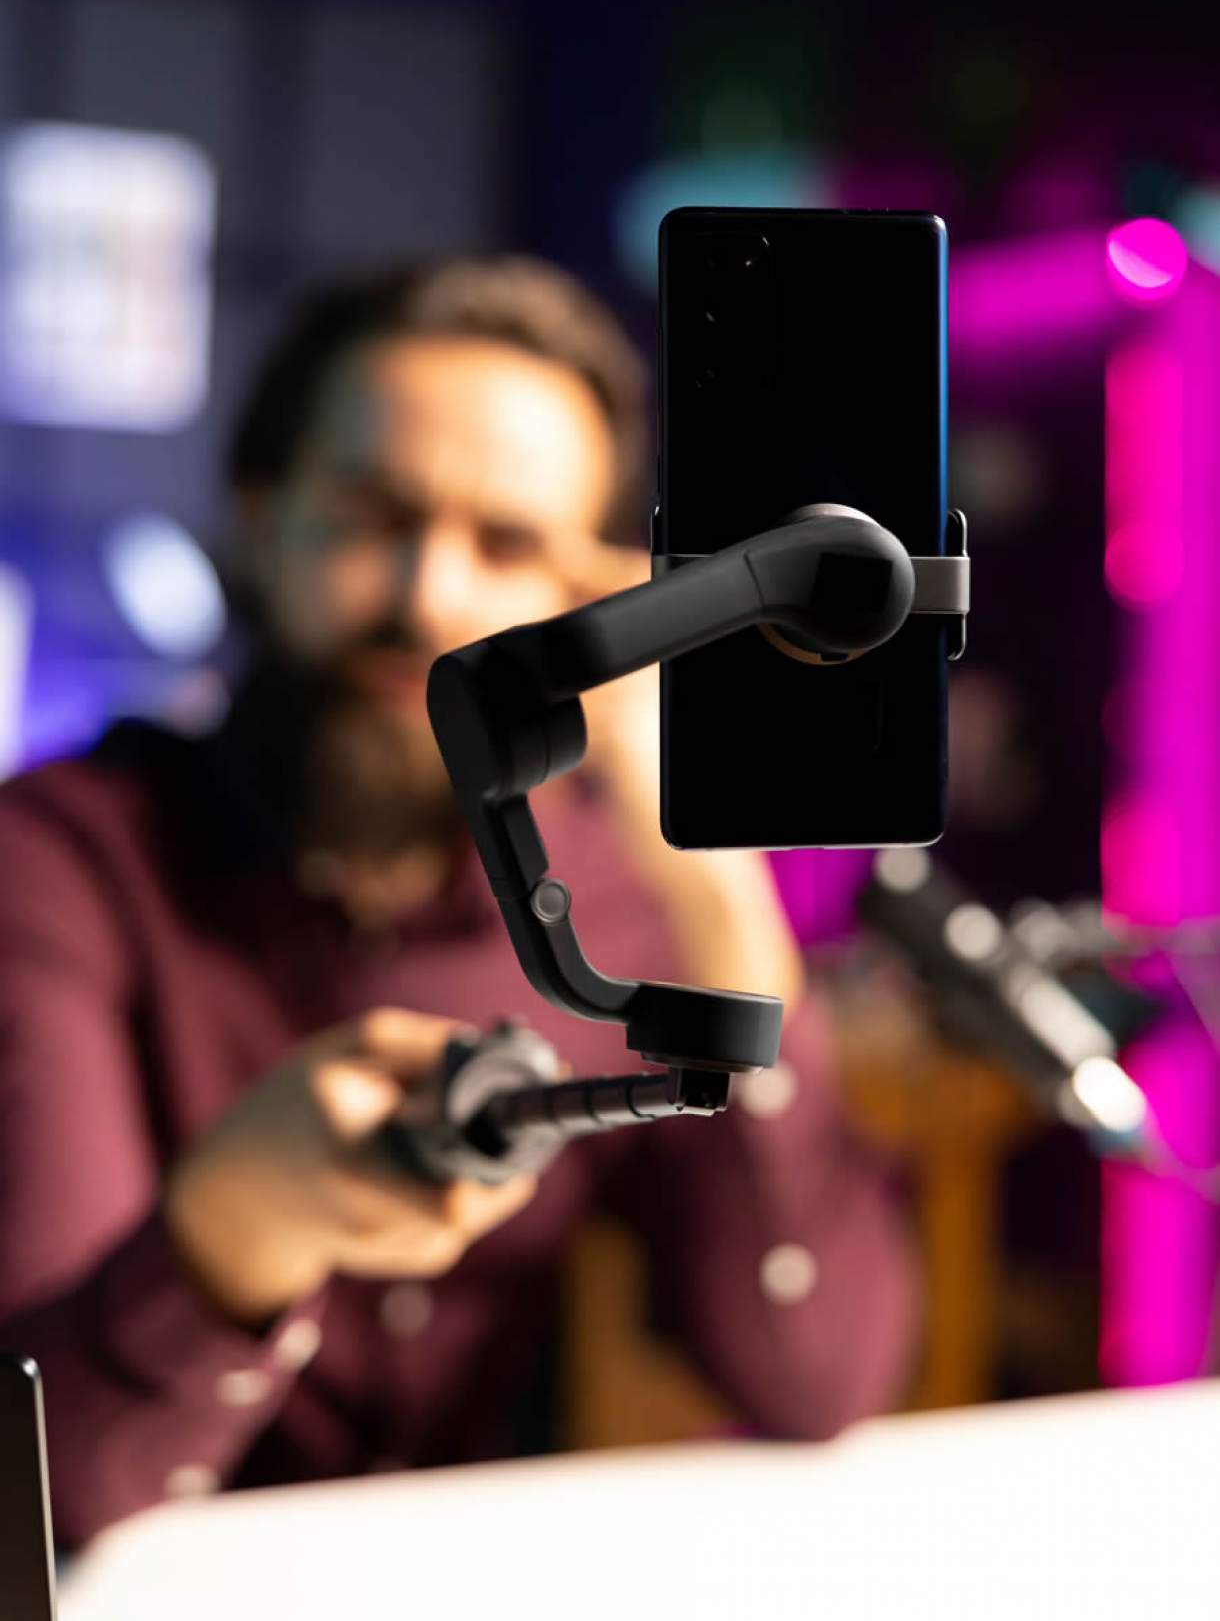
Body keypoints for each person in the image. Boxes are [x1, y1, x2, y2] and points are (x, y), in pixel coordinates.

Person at [0, 256, 917, 1546]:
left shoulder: (617, 902)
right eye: (371, 513)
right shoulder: (59, 860)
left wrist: (715, 883)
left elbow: (814, 1375)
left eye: (508, 545)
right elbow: (34, 1483)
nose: (428, 595)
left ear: (587, 598)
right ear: (259, 516)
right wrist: (238, 1227)